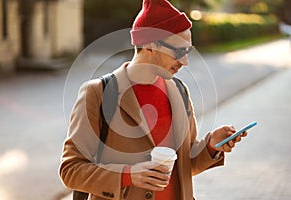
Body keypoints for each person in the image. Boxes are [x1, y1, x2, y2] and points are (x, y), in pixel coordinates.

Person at [59, 0, 247, 199]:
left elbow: (184, 166)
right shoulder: (98, 93)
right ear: (149, 46)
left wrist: (211, 146)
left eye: (188, 51)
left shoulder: (180, 91)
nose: (185, 61)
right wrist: (127, 175)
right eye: (179, 51)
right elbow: (71, 170)